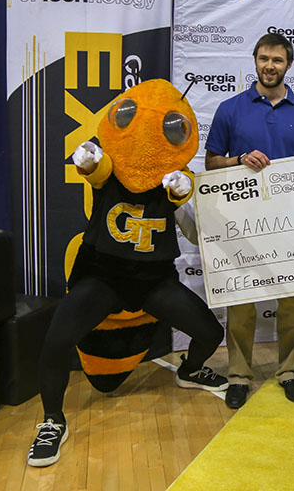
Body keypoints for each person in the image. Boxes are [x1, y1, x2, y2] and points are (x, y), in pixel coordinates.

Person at [28, 80, 227, 468]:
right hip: (104, 277)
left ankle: (190, 370)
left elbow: (192, 227)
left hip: (153, 281)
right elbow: (93, 166)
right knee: (55, 340)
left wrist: (185, 193)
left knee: (210, 332)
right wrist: (86, 159)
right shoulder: (110, 167)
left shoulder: (174, 180)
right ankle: (53, 420)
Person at [205, 33, 294, 408]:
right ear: (254, 60)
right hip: (241, 223)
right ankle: (239, 375)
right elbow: (210, 164)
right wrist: (238, 160)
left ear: (289, 65)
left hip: (292, 223)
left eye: (278, 60)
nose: (270, 66)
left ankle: (290, 372)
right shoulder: (230, 109)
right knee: (240, 304)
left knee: (293, 304)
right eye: (264, 58)